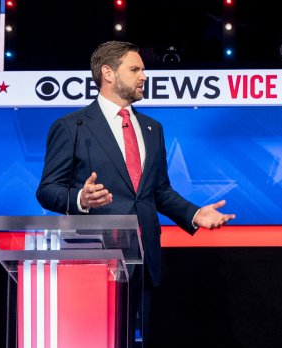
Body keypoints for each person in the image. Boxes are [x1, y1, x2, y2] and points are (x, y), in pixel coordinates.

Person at [37, 40, 235, 288]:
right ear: (107, 73)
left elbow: (159, 191)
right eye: (135, 70)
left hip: (145, 259)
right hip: (94, 259)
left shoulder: (152, 128)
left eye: (142, 70)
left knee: (143, 327)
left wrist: (194, 214)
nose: (144, 76)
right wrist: (80, 199)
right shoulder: (71, 127)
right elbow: (47, 190)